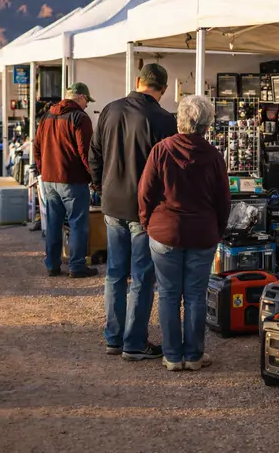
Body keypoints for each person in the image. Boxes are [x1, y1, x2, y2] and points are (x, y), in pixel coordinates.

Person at [89, 64, 177, 361]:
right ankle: (134, 343)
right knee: (141, 277)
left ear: (137, 82)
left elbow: (95, 155)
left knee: (114, 273)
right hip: (144, 209)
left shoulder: (109, 110)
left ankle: (114, 337)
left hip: (112, 203)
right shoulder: (165, 120)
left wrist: (101, 188)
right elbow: (168, 170)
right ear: (162, 90)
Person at [138, 95, 230, 371]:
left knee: (167, 293)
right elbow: (223, 199)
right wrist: (219, 229)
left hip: (165, 232)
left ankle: (172, 356)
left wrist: (147, 223)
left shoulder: (161, 150)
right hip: (202, 233)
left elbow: (145, 193)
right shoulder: (214, 156)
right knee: (195, 295)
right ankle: (193, 355)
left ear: (180, 120)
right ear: (206, 124)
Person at [34, 83, 97, 279]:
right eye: (86, 100)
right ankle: (77, 265)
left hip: (49, 178)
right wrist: (94, 177)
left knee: (53, 222)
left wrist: (43, 169)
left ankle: (52, 264)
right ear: (79, 97)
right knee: (78, 223)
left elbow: (37, 147)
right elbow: (86, 153)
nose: (86, 104)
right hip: (72, 179)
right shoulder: (80, 118)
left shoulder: (47, 116)